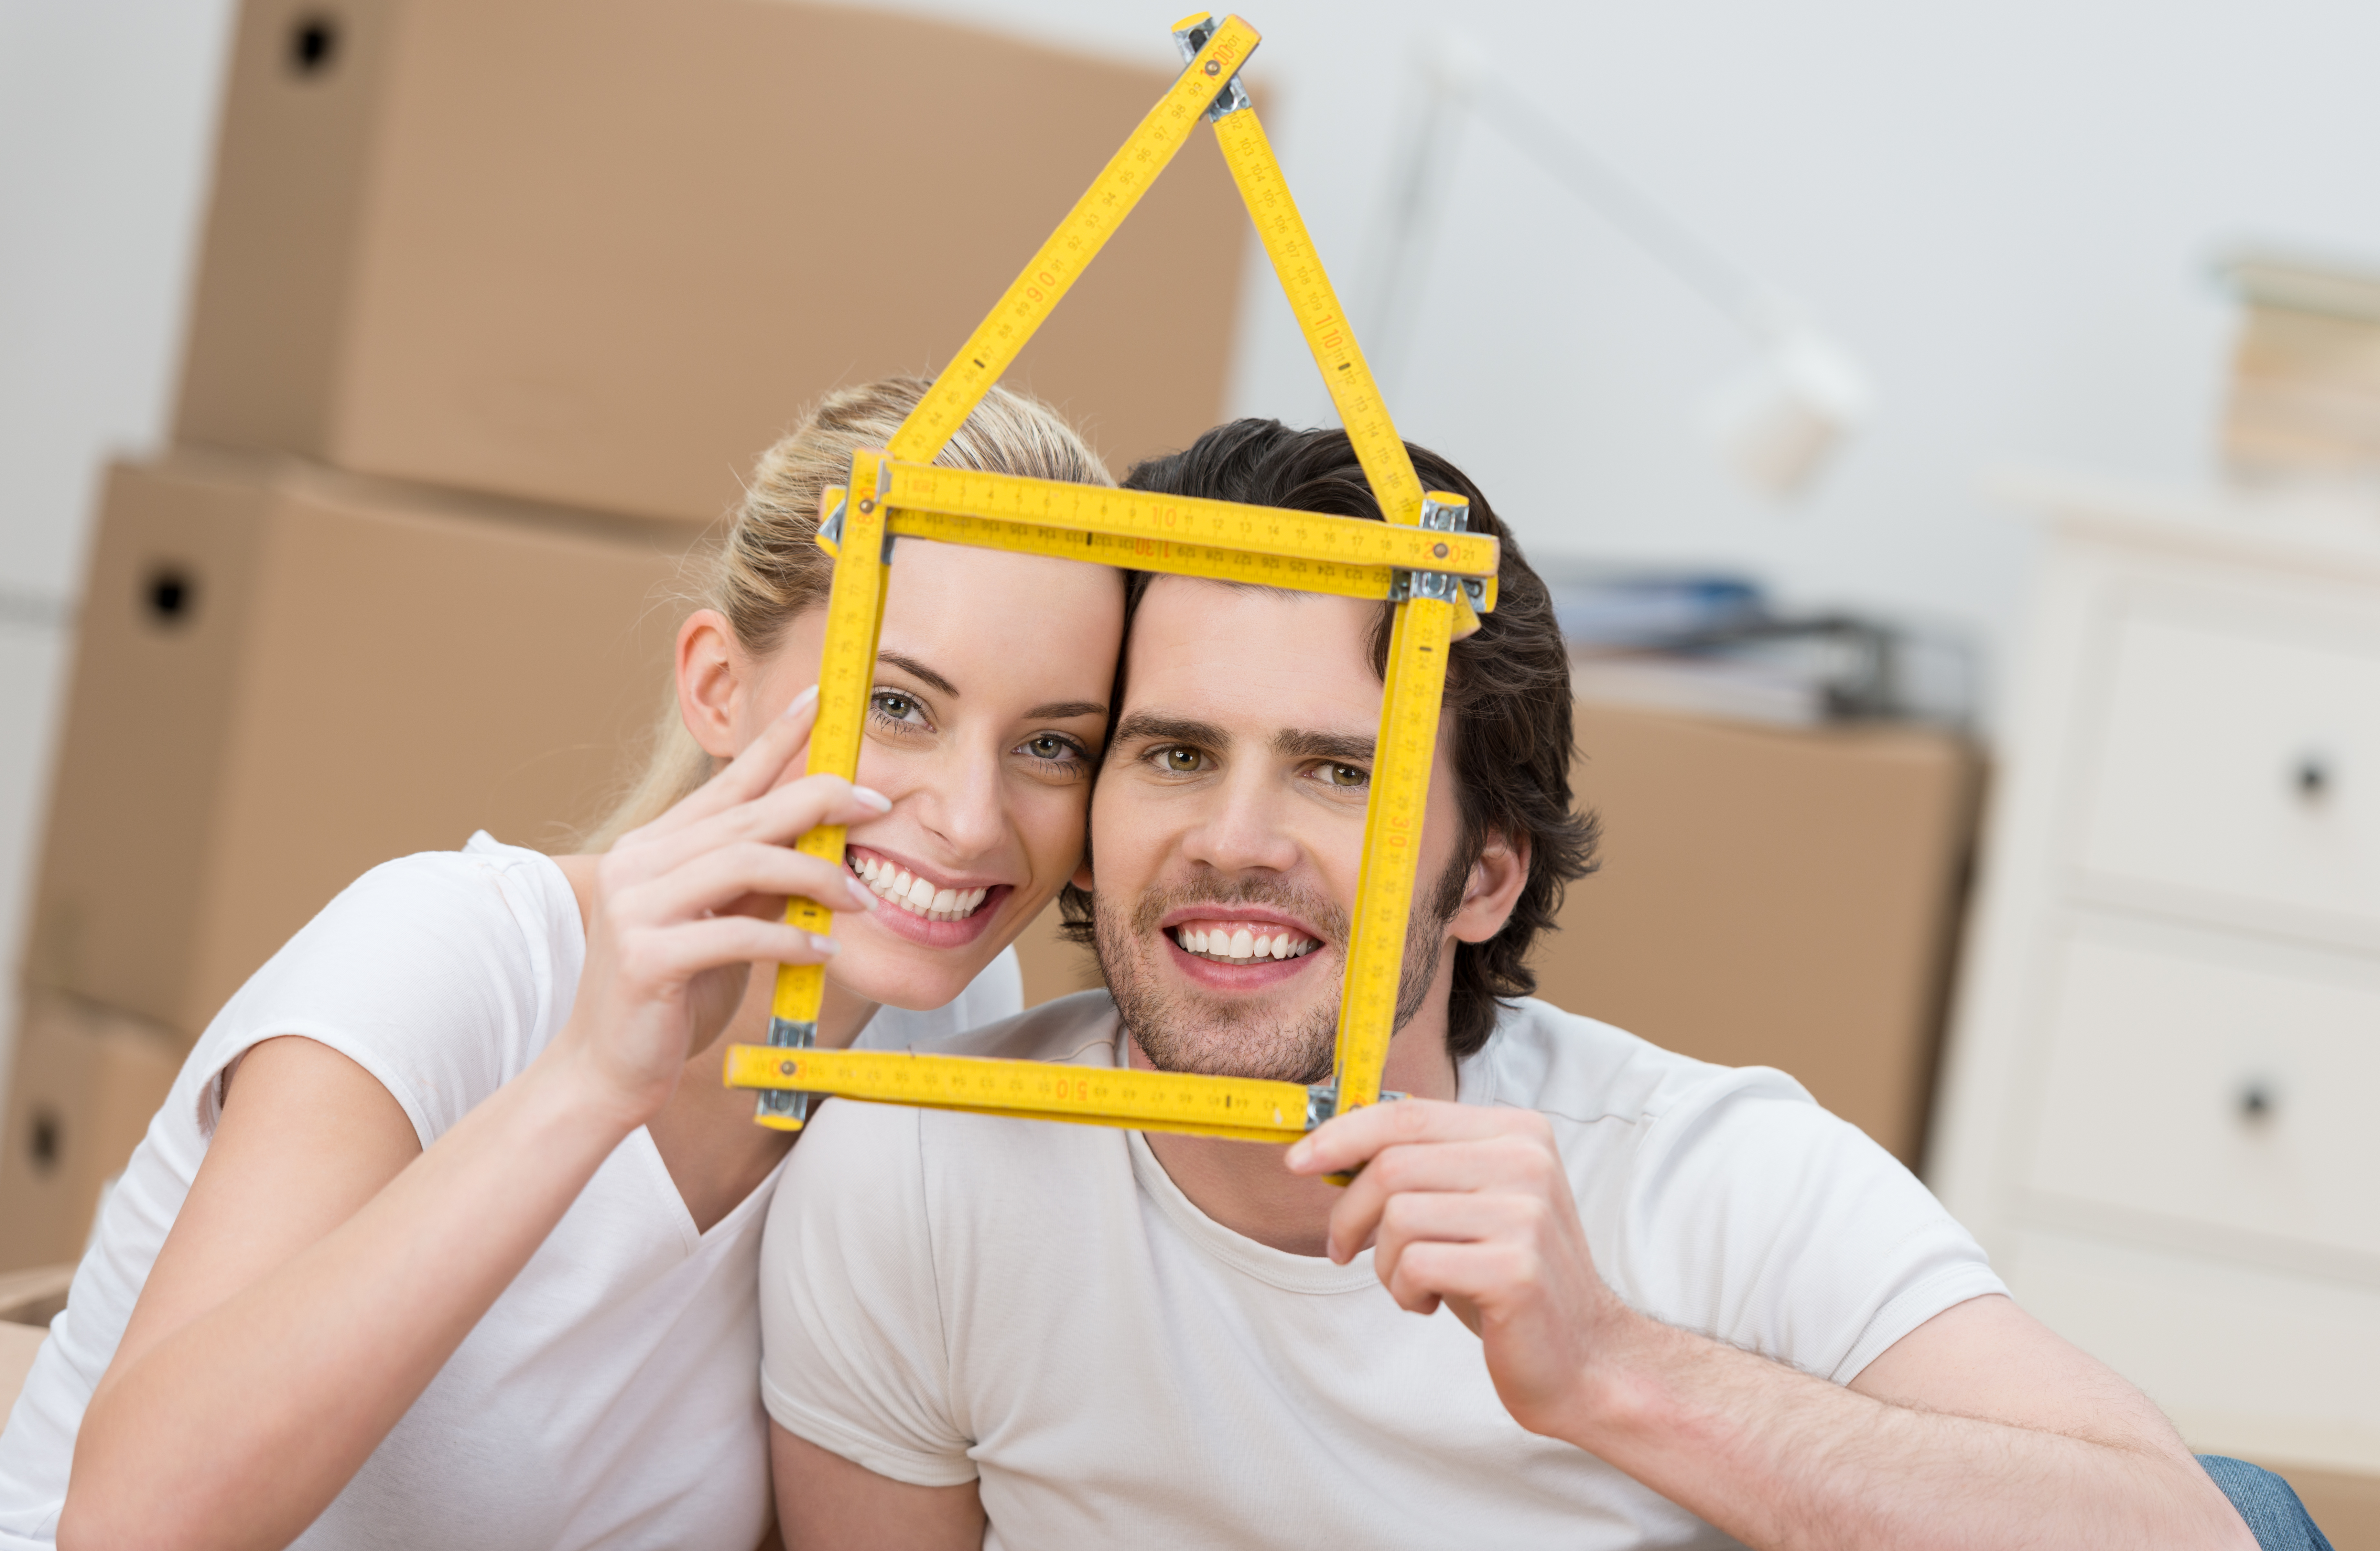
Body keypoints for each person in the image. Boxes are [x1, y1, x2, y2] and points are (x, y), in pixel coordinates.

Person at [757, 420, 2310, 1550]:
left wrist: (1612, 1367)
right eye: (1172, 753)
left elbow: (2186, 1535)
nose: (1233, 842)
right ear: (1089, 827)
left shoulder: (1711, 1177)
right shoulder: (919, 1181)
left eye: (1337, 772)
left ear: (1485, 874)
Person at [0, 377, 1128, 1551]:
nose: (971, 821)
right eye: (898, 705)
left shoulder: (939, 1026)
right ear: (718, 689)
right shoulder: (449, 955)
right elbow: (129, 1529)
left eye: (1052, 744)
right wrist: (589, 1084)